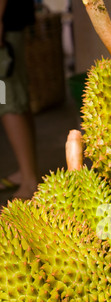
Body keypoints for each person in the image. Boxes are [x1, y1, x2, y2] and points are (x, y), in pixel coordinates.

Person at [0, 0, 38, 200]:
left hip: (6, 26)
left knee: (7, 101)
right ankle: (25, 172)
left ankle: (30, 181)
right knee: (15, 100)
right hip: (10, 23)